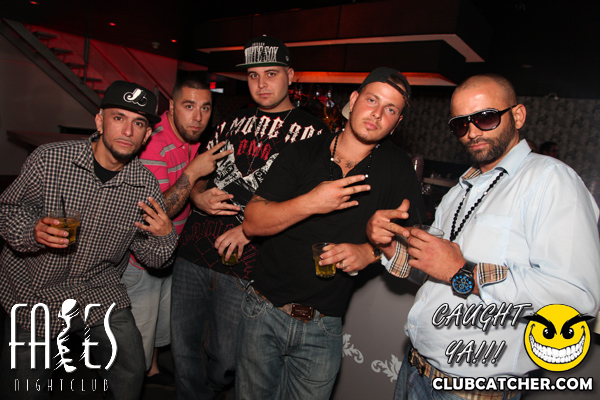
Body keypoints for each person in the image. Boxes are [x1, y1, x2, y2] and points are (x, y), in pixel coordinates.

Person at [366, 74, 600, 400]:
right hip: (415, 372)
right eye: (461, 124)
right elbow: (435, 272)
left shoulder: (551, 181)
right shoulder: (461, 190)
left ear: (518, 116)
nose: (472, 131)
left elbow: (574, 301)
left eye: (486, 117)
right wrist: (390, 246)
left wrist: (463, 271)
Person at [238, 67, 425, 399]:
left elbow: (416, 242)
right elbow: (252, 222)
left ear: (397, 123)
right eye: (372, 100)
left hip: (323, 326)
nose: (377, 114)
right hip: (263, 311)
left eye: (390, 109)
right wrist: (311, 202)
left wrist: (369, 252)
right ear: (354, 100)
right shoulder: (304, 151)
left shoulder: (398, 169)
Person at [171, 35, 330, 399]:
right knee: (184, 354)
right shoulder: (230, 121)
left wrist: (249, 229)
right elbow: (201, 174)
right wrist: (197, 197)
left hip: (246, 264)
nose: (261, 83)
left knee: (226, 361)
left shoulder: (315, 133)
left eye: (271, 73)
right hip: (193, 252)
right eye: (253, 75)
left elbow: (310, 205)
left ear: (291, 76)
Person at [0, 80, 179, 400]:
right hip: (36, 290)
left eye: (139, 123)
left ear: (146, 136)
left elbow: (152, 258)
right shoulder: (50, 160)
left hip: (99, 287)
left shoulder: (145, 185)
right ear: (99, 121)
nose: (128, 130)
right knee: (25, 386)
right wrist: (32, 231)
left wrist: (166, 236)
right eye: (118, 118)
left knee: (130, 365)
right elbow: (8, 210)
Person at [122, 75, 230, 385]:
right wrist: (193, 173)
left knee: (158, 327)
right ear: (171, 106)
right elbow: (157, 213)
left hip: (171, 252)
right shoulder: (153, 143)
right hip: (141, 258)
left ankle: (152, 370)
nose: (198, 117)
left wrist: (198, 193)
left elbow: (188, 190)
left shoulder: (192, 139)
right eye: (188, 106)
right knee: (135, 343)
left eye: (205, 108)